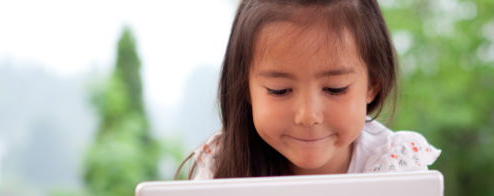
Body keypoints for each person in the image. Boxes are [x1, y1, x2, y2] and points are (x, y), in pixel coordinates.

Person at [177, 0, 441, 180]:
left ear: (372, 85)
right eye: (279, 90)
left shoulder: (394, 166)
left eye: (335, 89)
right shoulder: (222, 163)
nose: (308, 115)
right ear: (245, 89)